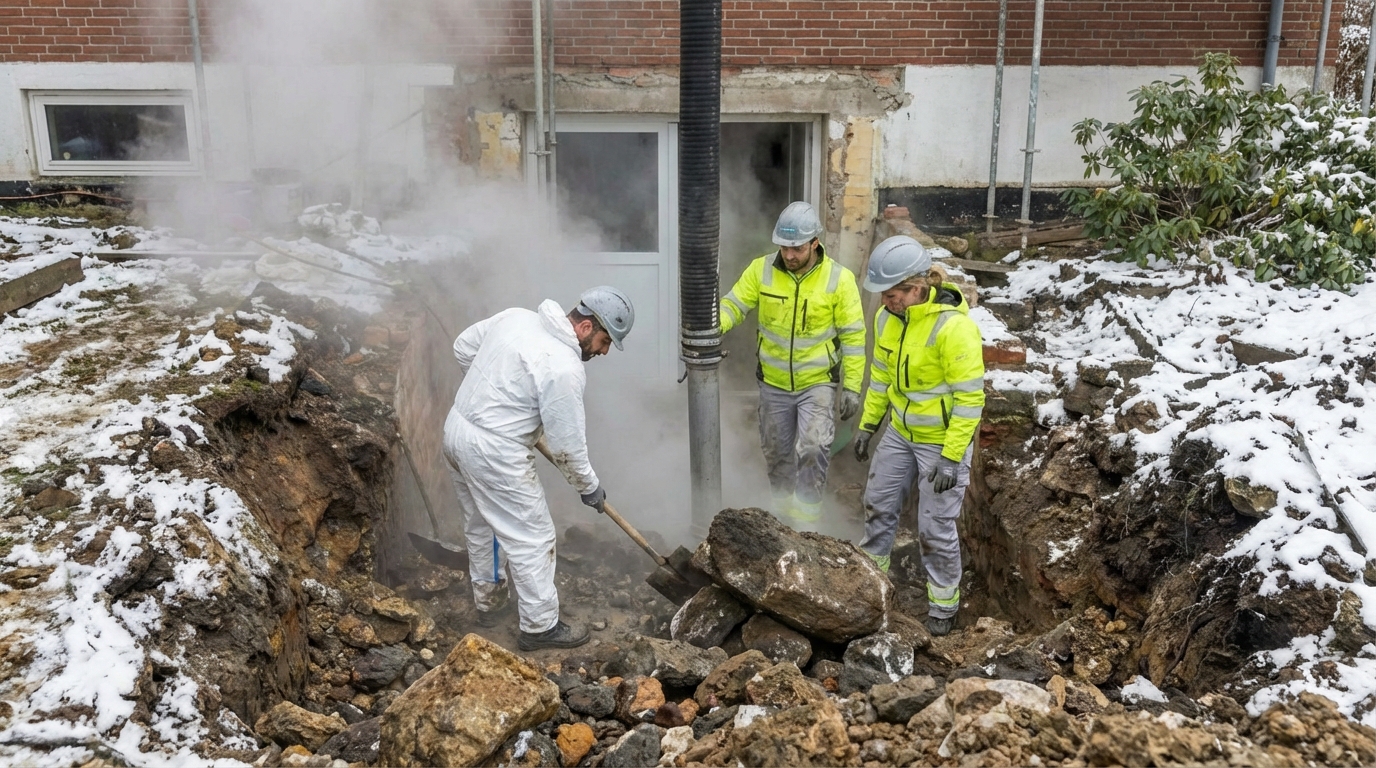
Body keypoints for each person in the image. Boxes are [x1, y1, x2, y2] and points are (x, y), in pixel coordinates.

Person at [443, 286, 634, 650]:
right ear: (586, 327)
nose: (604, 351)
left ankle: (489, 603)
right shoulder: (564, 368)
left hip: (456, 430)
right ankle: (539, 626)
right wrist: (588, 486)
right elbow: (567, 447)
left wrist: (493, 397)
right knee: (533, 538)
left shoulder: (516, 317)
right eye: (605, 340)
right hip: (495, 452)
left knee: (483, 524)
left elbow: (463, 347)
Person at [852, 236, 984, 636]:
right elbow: (880, 378)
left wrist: (951, 456)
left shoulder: (953, 328)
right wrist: (868, 425)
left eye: (892, 296)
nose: (885, 303)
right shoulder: (886, 319)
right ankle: (871, 584)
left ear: (916, 288)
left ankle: (943, 605)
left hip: (941, 442)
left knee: (934, 527)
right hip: (900, 432)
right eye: (882, 296)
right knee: (877, 504)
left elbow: (969, 399)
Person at [720, 201, 866, 527]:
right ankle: (781, 520)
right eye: (784, 248)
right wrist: (714, 325)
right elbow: (735, 304)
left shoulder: (839, 280)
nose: (789, 255)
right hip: (773, 383)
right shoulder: (761, 270)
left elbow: (854, 339)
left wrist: (852, 388)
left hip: (817, 383)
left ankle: (806, 525)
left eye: (797, 248)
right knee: (776, 453)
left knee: (813, 447)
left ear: (815, 243)